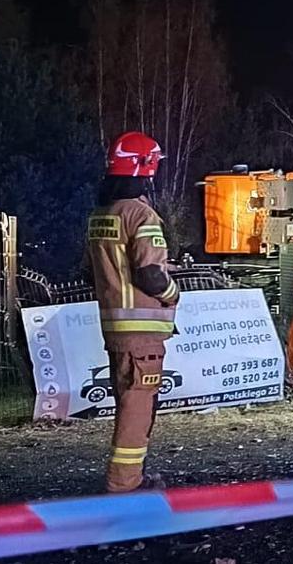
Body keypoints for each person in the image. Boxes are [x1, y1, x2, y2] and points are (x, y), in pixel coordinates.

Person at [88, 131, 179, 492]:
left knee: (129, 401)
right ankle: (124, 484)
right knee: (138, 407)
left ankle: (131, 477)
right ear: (146, 168)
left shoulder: (101, 214)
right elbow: (150, 273)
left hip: (115, 327)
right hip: (142, 332)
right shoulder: (141, 214)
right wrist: (173, 295)